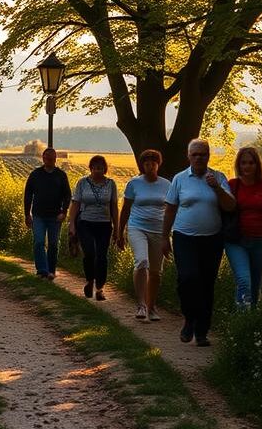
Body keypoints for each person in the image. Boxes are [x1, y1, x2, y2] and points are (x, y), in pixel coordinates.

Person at [162, 139, 236, 347]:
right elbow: (170, 209)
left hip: (212, 239)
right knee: (187, 278)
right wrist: (163, 237)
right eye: (195, 154)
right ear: (188, 156)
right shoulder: (180, 179)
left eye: (203, 154)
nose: (199, 158)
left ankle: (202, 331)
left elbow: (231, 206)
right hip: (184, 237)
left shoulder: (218, 177)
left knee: (206, 283)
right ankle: (189, 318)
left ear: (208, 156)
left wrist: (217, 189)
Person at [224, 146, 262, 309]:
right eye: (243, 163)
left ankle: (251, 320)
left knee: (255, 283)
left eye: (251, 163)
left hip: (261, 242)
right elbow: (221, 209)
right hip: (237, 241)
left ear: (257, 165)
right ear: (238, 165)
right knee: (244, 281)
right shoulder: (232, 185)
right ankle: (241, 320)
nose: (247, 166)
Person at [117, 149, 171, 322]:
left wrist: (170, 233)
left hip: (159, 230)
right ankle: (141, 304)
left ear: (158, 164)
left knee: (156, 272)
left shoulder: (167, 185)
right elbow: (125, 208)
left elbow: (171, 209)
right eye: (146, 164)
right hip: (137, 227)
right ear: (142, 165)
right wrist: (119, 232)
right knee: (142, 261)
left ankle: (152, 305)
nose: (150, 167)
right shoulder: (134, 184)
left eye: (153, 163)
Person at [68, 155, 119, 301]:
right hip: (85, 223)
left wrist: (117, 227)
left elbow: (114, 206)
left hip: (104, 224)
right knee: (89, 253)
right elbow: (76, 204)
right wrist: (72, 224)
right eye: (95, 168)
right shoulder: (82, 183)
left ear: (105, 169)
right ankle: (90, 281)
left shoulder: (111, 184)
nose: (98, 170)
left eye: (101, 168)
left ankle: (100, 288)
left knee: (102, 256)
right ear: (90, 168)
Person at [24, 148, 72, 280]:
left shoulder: (61, 175)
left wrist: (64, 211)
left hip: (55, 216)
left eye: (51, 158)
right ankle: (42, 270)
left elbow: (67, 195)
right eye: (46, 158)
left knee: (53, 244)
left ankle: (51, 270)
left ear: (55, 159)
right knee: (39, 242)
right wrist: (27, 214)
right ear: (43, 158)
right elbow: (28, 195)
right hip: (38, 215)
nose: (49, 161)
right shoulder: (35, 174)